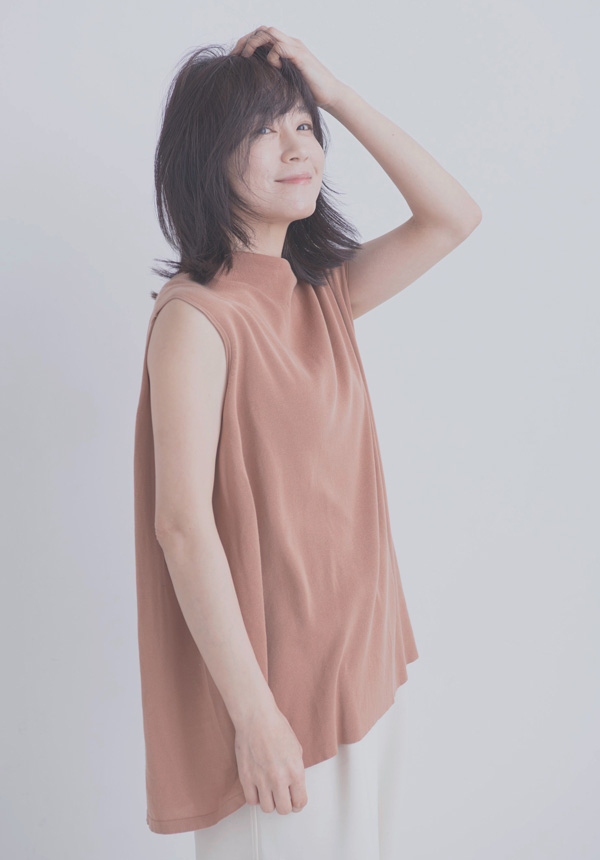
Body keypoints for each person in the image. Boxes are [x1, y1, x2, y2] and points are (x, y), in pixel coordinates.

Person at [133, 26, 482, 859]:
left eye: (303, 125)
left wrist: (337, 94)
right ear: (206, 158)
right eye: (262, 129)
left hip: (360, 674)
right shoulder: (198, 318)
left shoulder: (317, 293)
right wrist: (254, 718)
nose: (296, 147)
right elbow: (181, 526)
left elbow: (454, 216)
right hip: (278, 706)